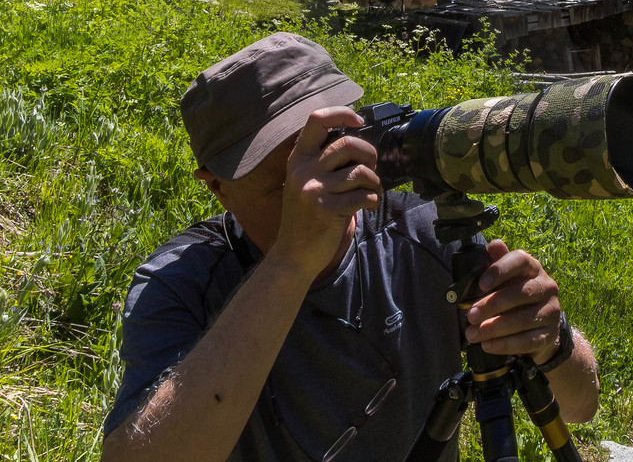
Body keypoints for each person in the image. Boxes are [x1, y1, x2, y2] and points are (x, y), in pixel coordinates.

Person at [101, 32, 599, 462]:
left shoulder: (424, 234)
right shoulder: (183, 282)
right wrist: (292, 262)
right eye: (284, 186)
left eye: (332, 154)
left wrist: (550, 343)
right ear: (217, 186)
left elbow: (581, 405)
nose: (323, 192)